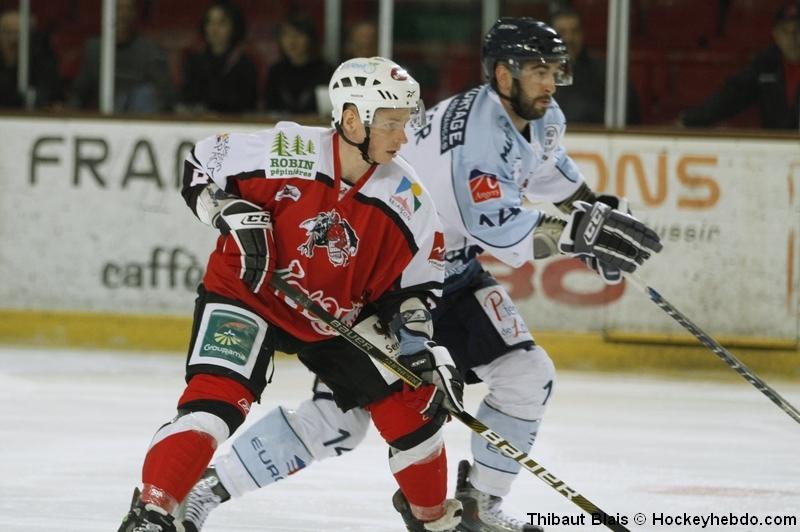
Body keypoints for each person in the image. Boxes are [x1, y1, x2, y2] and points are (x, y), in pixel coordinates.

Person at [178, 18, 662, 532]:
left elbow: (549, 172)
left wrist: (596, 213)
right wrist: (576, 236)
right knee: (337, 422)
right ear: (504, 75)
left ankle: (479, 506)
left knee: (527, 374)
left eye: (555, 71)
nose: (551, 83)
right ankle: (208, 486)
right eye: (539, 72)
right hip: (389, 285)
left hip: (450, 273)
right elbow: (499, 229)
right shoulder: (472, 143)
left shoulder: (537, 114)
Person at [117, 56, 466, 532]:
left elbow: (415, 288)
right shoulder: (287, 149)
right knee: (215, 406)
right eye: (391, 123)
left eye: (406, 123)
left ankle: (432, 520)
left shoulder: (410, 199)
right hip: (248, 292)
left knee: (416, 408)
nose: (403, 137)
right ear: (352, 120)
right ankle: (152, 514)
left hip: (338, 318)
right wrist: (226, 210)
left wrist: (418, 343)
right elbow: (200, 165)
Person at [679, 0, 800, 129]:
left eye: (798, 30)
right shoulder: (765, 64)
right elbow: (731, 97)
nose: (792, 38)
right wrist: (689, 120)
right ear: (775, 35)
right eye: (785, 31)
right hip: (776, 140)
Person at [69, 0, 174, 113]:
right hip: (102, 118)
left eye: (127, 8)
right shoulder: (95, 49)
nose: (123, 14)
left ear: (134, 13)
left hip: (138, 118)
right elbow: (79, 94)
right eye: (117, 8)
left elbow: (166, 96)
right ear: (107, 12)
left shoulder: (150, 50)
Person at [549, 7, 640, 124]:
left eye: (575, 31)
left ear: (582, 34)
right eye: (562, 32)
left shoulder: (605, 74)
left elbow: (631, 118)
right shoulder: (539, 76)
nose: (569, 38)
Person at [177, 0, 258, 114]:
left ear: (234, 26)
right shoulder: (194, 61)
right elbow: (187, 100)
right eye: (209, 22)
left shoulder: (245, 64)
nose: (214, 29)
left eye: (222, 23)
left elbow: (248, 104)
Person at [264, 14, 333, 114]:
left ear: (310, 38)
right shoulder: (275, 72)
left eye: (298, 35)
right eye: (286, 35)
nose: (292, 41)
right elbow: (268, 110)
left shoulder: (326, 71)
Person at [0, 9, 62, 108]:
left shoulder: (42, 61)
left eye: (18, 33)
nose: (13, 39)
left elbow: (47, 94)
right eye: (7, 32)